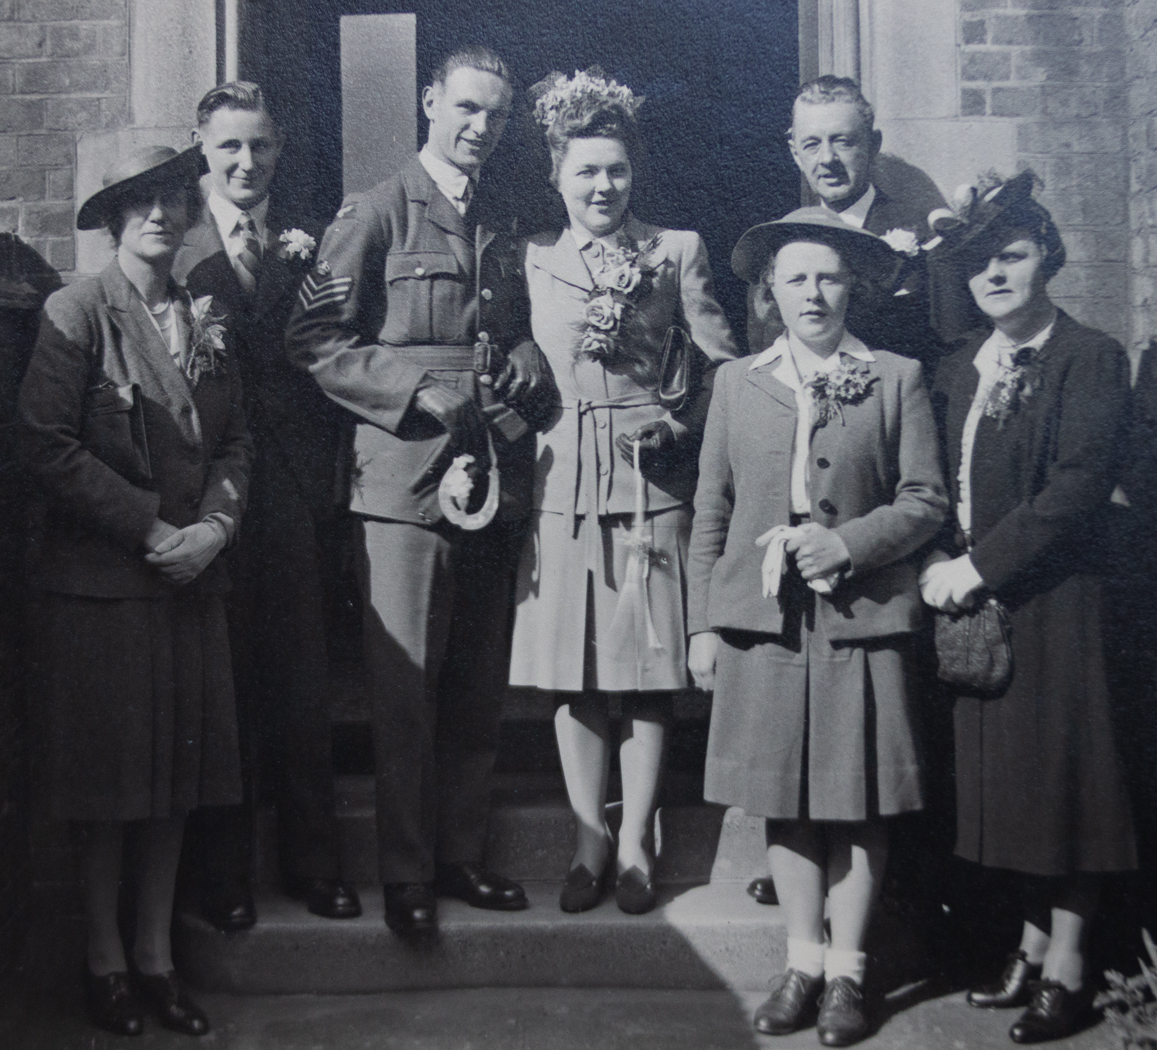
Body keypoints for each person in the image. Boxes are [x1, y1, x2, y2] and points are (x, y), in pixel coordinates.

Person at [286, 46, 554, 935]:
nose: (481, 127)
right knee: (405, 688)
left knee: (476, 682)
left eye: (497, 115)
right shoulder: (375, 211)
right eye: (467, 108)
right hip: (404, 478)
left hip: (491, 467)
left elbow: (512, 326)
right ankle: (405, 874)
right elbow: (313, 338)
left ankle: (458, 856)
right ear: (430, 103)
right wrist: (410, 390)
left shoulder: (503, 218)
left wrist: (524, 353)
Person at [688, 210, 947, 1044]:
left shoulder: (894, 377)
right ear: (769, 291)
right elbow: (711, 508)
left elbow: (925, 500)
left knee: (857, 799)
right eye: (795, 278)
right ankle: (801, 963)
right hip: (763, 620)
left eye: (828, 277)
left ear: (853, 287)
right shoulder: (738, 382)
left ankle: (848, 975)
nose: (813, 293)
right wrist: (701, 625)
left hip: (860, 615)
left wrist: (849, 543)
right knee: (784, 800)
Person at [18, 145, 251, 1037]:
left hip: (192, 581)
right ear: (115, 218)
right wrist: (151, 531)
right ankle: (105, 962)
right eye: (139, 202)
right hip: (106, 591)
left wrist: (215, 529)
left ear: (190, 215)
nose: (159, 215)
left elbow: (233, 444)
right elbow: (45, 444)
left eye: (172, 200)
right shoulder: (78, 311)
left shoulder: (204, 314)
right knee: (112, 788)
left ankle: (157, 959)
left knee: (174, 785)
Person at [510, 70, 738, 915]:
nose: (602, 186)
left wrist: (679, 428)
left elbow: (722, 370)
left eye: (615, 169)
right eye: (584, 171)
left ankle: (637, 838)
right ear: (556, 176)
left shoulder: (675, 249)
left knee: (645, 673)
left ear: (634, 171)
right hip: (562, 483)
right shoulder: (530, 259)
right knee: (574, 673)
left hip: (650, 485)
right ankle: (587, 839)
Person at [919, 172, 1138, 1044]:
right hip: (980, 603)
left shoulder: (1088, 357)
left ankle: (1069, 968)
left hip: (1056, 600)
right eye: (978, 264)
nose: (995, 275)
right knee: (1010, 787)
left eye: (1010, 256)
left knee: (1064, 781)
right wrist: (941, 555)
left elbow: (1076, 488)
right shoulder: (958, 368)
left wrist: (977, 566)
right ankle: (1030, 945)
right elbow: (941, 482)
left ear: (1045, 256)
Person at [746, 75, 947, 910]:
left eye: (844, 140)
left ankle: (892, 895)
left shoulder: (922, 245)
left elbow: (944, 367)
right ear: (792, 151)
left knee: (889, 709)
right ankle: (797, 857)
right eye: (811, 143)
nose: (828, 157)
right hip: (801, 528)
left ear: (872, 146)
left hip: (891, 503)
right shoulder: (780, 251)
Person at [175, 81, 359, 930]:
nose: (246, 163)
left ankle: (315, 863)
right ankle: (225, 873)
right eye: (229, 147)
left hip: (292, 492)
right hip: (208, 493)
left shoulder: (313, 245)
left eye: (260, 146)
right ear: (203, 151)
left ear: (280, 149)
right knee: (223, 685)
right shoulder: (176, 246)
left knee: (301, 679)